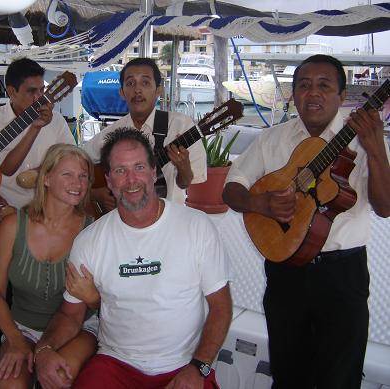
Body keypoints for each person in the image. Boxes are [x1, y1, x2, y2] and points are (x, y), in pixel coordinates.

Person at [222, 54, 390, 389]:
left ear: (342, 97)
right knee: (287, 373)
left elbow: (385, 208)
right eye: (303, 85)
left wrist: (375, 150)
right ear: (293, 94)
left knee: (340, 377)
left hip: (343, 276)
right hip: (286, 274)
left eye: (324, 85)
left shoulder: (365, 136)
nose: (313, 93)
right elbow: (231, 188)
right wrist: (261, 203)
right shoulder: (273, 139)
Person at [35, 128, 232, 389]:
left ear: (154, 172)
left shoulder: (197, 227)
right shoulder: (90, 240)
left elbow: (221, 308)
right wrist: (43, 350)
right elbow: (71, 316)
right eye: (120, 170)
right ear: (108, 180)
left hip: (184, 365)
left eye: (139, 167)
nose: (131, 180)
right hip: (116, 363)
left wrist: (200, 367)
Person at [0, 56, 75, 370]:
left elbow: (70, 161)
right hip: (7, 219)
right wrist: (34, 129)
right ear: (11, 91)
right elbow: (0, 172)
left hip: (48, 220)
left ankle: (47, 348)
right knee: (3, 293)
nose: (40, 99)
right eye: (31, 91)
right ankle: (8, 349)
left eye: (43, 91)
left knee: (53, 291)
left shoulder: (57, 121)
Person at [0, 143, 98, 389]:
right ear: (46, 178)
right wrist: (15, 339)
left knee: (59, 377)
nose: (77, 183)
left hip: (78, 328)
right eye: (67, 174)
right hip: (23, 328)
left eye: (83, 176)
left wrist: (93, 297)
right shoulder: (12, 226)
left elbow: (105, 300)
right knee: (10, 384)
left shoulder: (93, 230)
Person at [82, 57, 207, 212]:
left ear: (158, 90)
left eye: (145, 82)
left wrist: (183, 167)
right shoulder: (112, 134)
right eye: (130, 83)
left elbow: (185, 183)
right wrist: (93, 194)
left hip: (170, 220)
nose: (137, 90)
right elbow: (77, 160)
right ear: (122, 92)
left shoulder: (181, 126)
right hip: (121, 221)